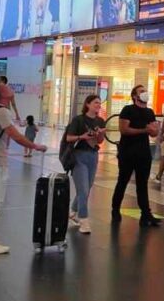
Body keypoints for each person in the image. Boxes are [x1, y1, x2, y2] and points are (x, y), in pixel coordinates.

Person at [0, 80, 46, 255]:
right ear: (2, 93)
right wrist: (36, 146)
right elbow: (15, 135)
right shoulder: (2, 111)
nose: (11, 88)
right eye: (6, 87)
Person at [110, 84, 162, 227]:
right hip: (127, 152)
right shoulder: (128, 110)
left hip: (144, 153)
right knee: (123, 181)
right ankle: (115, 209)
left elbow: (154, 132)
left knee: (142, 184)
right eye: (141, 91)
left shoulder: (150, 112)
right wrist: (145, 130)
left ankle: (146, 213)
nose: (144, 93)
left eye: (145, 91)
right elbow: (124, 130)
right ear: (135, 96)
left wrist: (154, 130)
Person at [65, 95, 106, 234]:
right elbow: (68, 137)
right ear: (87, 104)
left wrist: (100, 134)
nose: (98, 105)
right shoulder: (79, 119)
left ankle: (72, 212)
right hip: (79, 156)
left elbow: (100, 141)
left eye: (99, 103)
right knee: (83, 190)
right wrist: (81, 136)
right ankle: (83, 220)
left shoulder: (100, 121)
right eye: (95, 103)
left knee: (87, 188)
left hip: (93, 156)